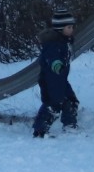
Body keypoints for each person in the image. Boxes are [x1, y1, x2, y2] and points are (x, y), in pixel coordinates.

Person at [33, 9, 80, 137]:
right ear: (60, 29)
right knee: (54, 104)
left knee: (71, 100)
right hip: (50, 80)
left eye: (72, 27)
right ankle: (40, 130)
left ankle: (70, 125)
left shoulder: (65, 41)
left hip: (61, 79)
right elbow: (51, 57)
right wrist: (57, 65)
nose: (72, 29)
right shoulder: (53, 43)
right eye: (69, 27)